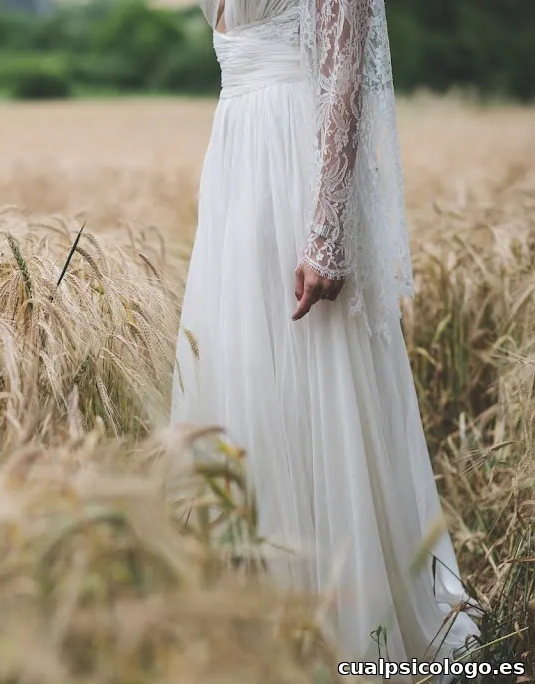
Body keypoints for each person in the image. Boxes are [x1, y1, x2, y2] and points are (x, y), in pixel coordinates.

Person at [169, 0, 481, 679]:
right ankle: (253, 611)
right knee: (243, 376)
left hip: (296, 172)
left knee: (321, 376)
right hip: (236, 169)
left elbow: (344, 83)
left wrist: (326, 231)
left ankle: (351, 622)